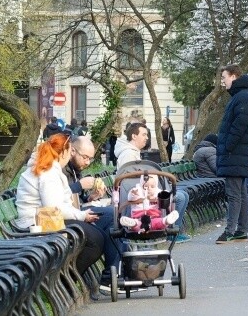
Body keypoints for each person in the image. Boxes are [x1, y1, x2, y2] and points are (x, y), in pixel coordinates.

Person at [15, 133, 104, 278]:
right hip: (36, 224)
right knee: (94, 240)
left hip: (41, 220)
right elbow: (54, 208)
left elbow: (61, 200)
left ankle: (64, 280)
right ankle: (62, 280)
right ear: (63, 153)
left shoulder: (50, 168)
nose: (69, 157)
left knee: (96, 236)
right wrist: (81, 215)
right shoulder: (48, 172)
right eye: (69, 153)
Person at [115, 122, 191, 243]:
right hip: (139, 194)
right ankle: (171, 233)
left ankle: (176, 230)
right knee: (180, 197)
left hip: (146, 190)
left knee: (184, 195)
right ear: (134, 136)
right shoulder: (128, 154)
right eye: (144, 134)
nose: (147, 138)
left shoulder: (132, 152)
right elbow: (130, 181)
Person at [63, 136, 123, 288]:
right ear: (72, 151)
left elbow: (75, 199)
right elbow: (56, 196)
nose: (87, 162)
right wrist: (79, 185)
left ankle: (116, 273)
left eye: (90, 159)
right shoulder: (60, 168)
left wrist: (91, 197)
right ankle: (111, 276)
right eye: (85, 157)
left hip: (72, 212)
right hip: (61, 216)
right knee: (111, 216)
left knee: (114, 216)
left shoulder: (74, 169)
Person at [215, 64, 248, 244]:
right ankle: (241, 230)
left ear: (234, 76)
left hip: (235, 153)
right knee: (240, 192)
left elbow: (240, 123)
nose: (223, 82)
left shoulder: (242, 97)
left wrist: (228, 146)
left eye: (224, 78)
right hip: (237, 153)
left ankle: (230, 230)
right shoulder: (242, 96)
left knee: (234, 193)